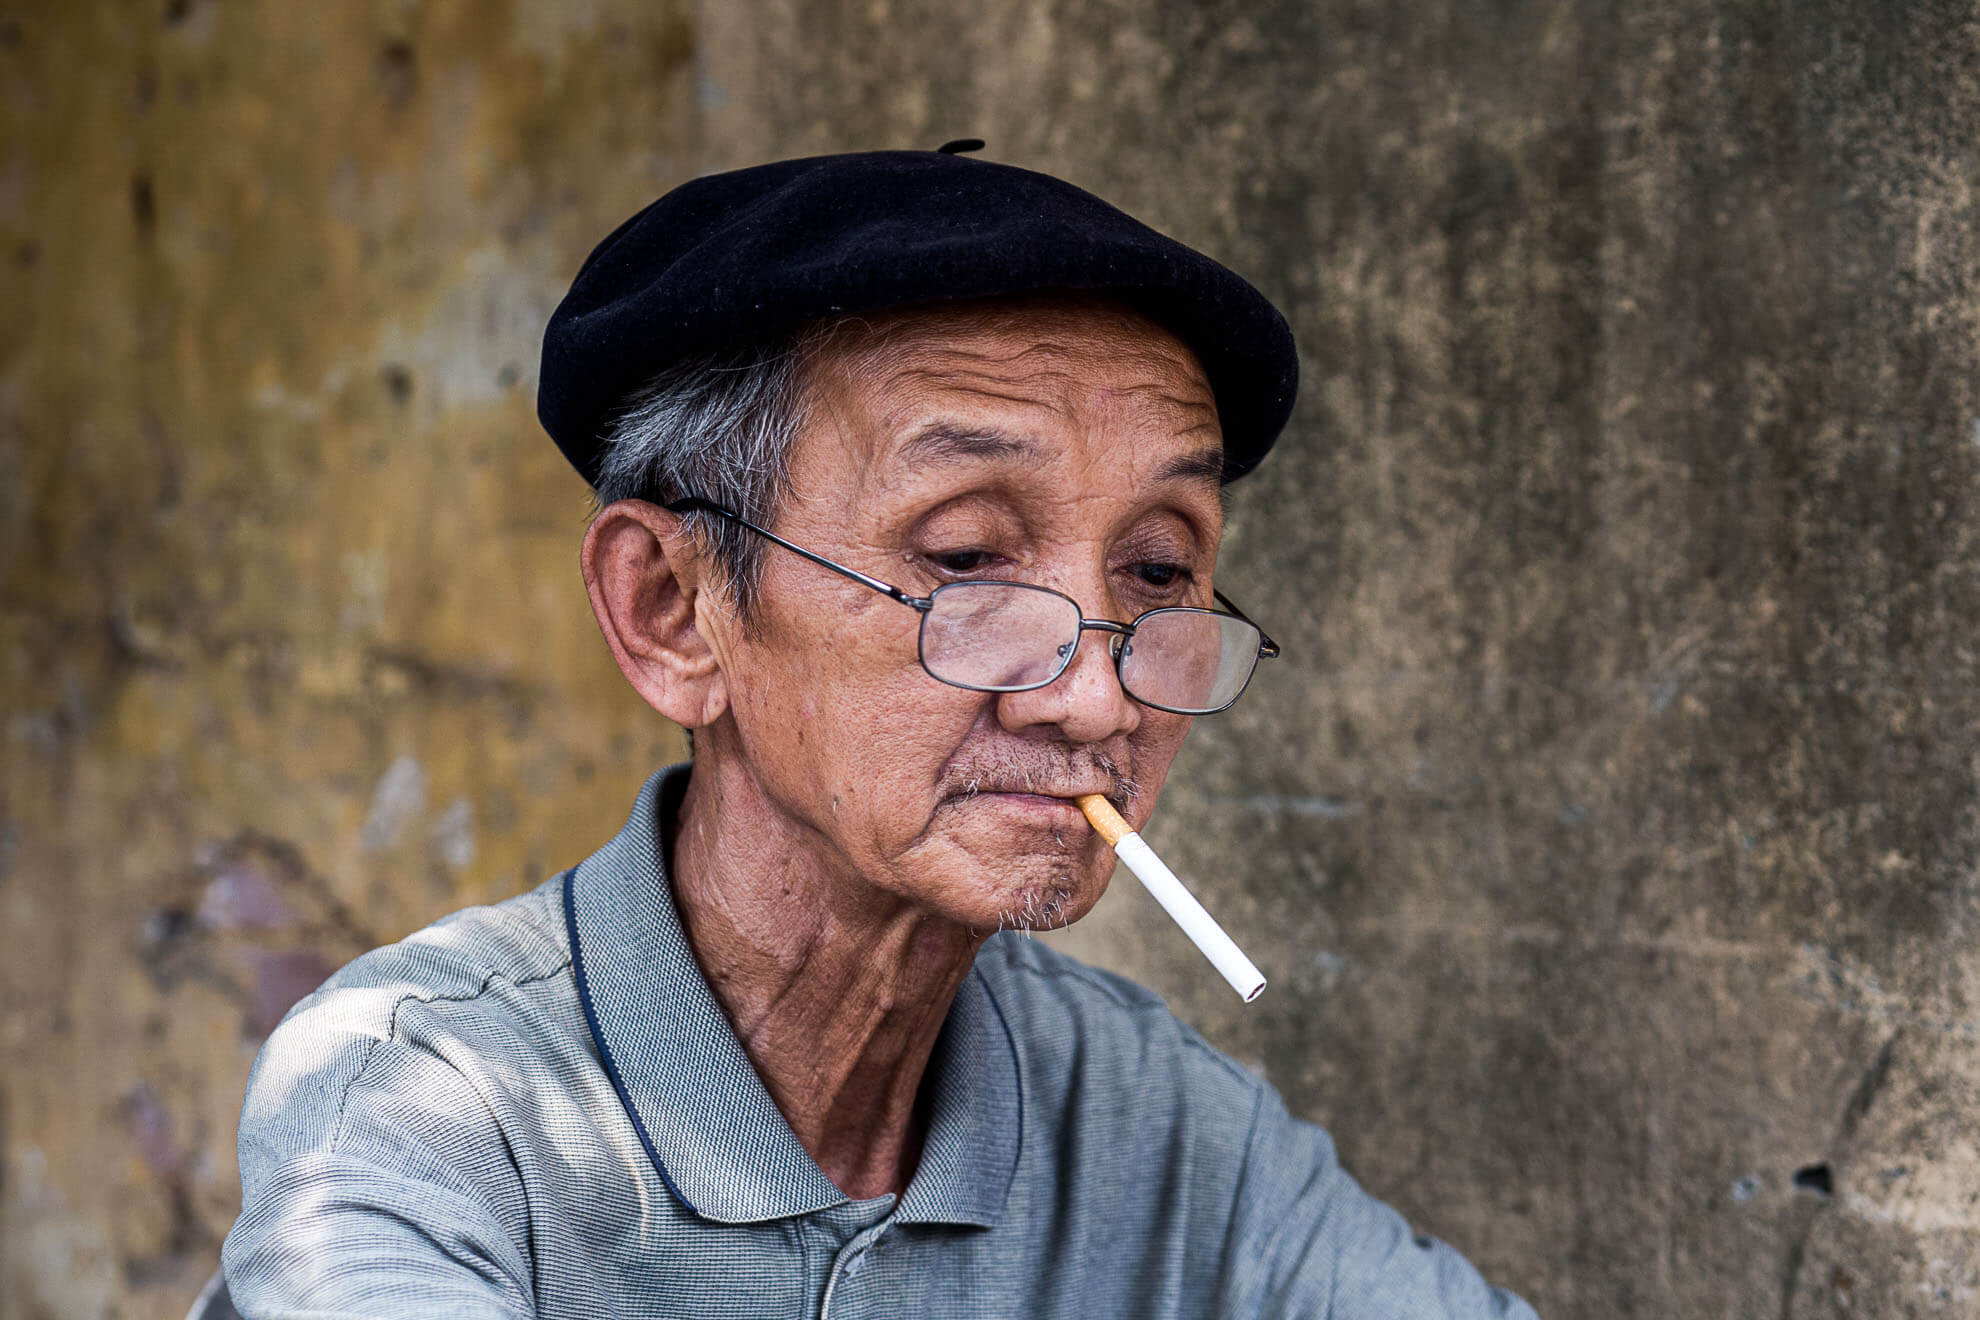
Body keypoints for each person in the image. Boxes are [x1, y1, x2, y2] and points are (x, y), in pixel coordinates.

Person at [220, 144, 1538, 1319]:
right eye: (965, 558)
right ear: (677, 611)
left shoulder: (1149, 1124)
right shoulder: (422, 1105)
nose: (1093, 699)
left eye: (1153, 573)